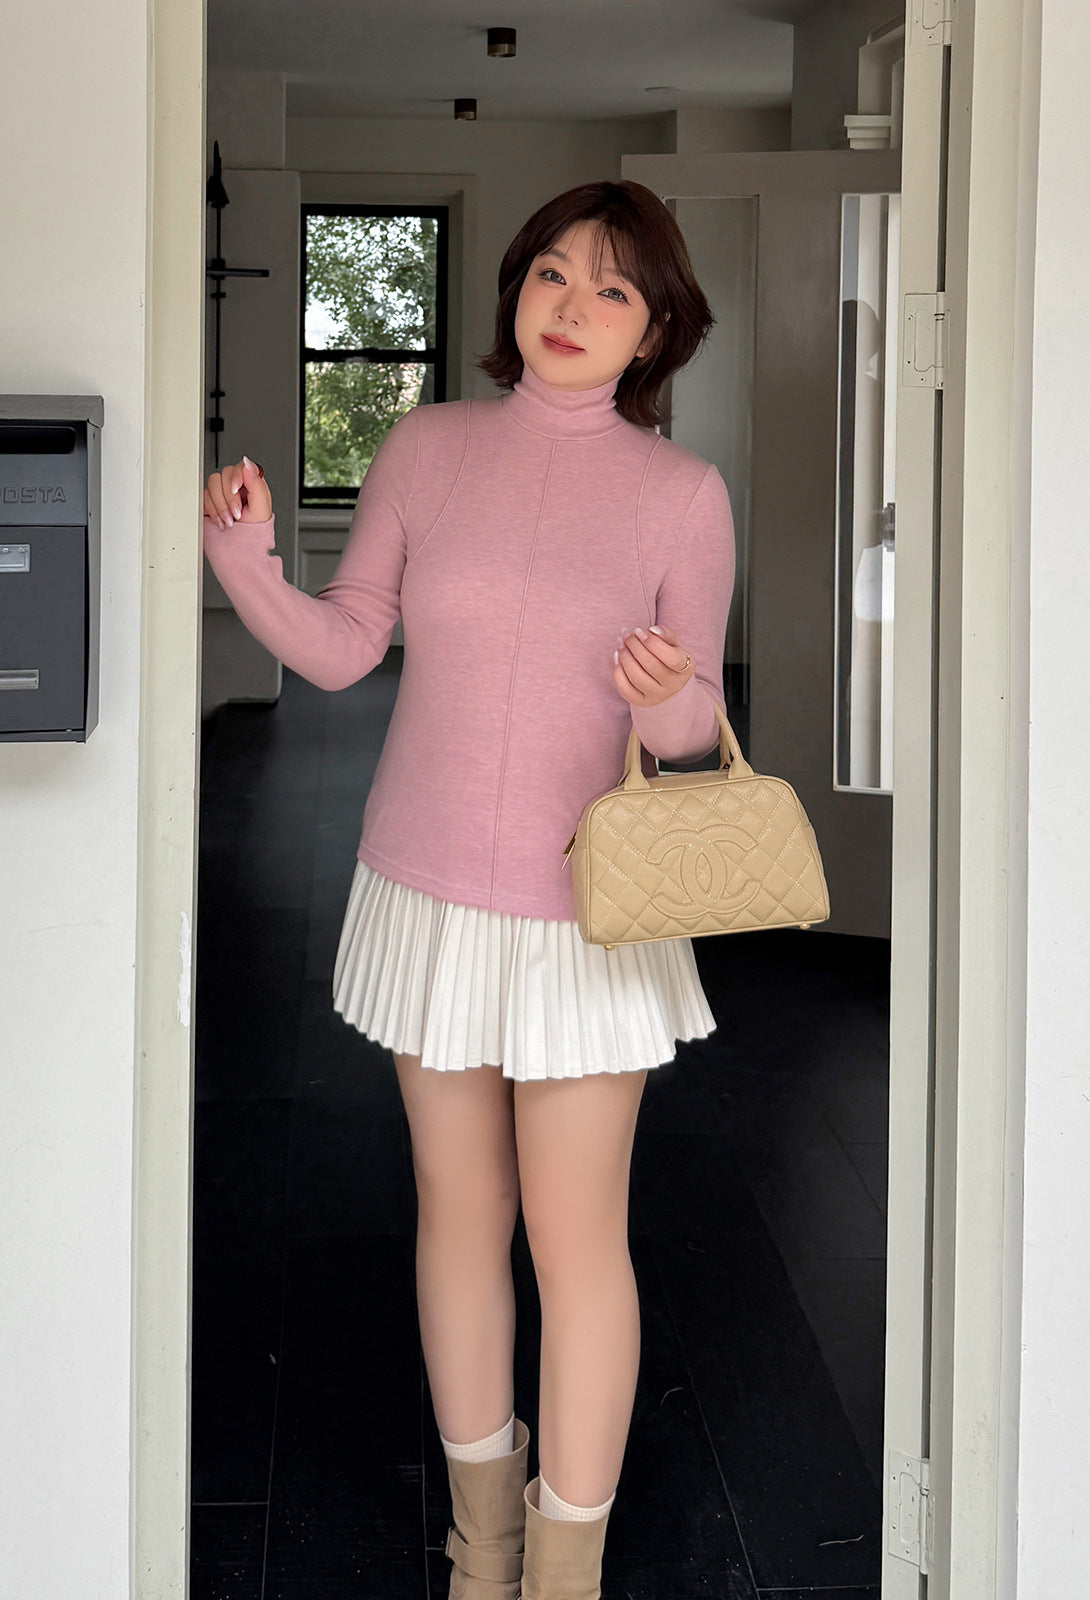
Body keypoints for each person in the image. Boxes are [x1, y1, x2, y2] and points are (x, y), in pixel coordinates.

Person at [201, 178, 736, 1600]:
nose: (573, 305)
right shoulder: (427, 448)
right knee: (457, 1210)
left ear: (654, 330)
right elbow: (344, 645)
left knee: (578, 1237)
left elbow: (693, 729)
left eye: (613, 288)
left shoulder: (683, 495)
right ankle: (481, 1549)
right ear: (514, 286)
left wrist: (665, 695)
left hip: (589, 914)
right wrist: (247, 568)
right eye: (553, 272)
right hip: (427, 888)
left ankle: (564, 1571)